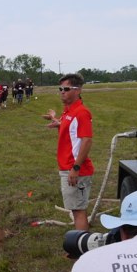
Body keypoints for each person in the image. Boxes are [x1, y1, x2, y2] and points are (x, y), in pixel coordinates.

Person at [43, 74, 94, 230]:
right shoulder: (68, 112)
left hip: (75, 169)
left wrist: (76, 168)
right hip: (67, 167)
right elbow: (71, 130)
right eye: (60, 89)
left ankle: (80, 249)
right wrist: (58, 123)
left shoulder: (81, 112)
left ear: (77, 90)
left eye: (66, 89)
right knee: (75, 208)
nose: (62, 92)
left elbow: (86, 140)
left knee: (78, 211)